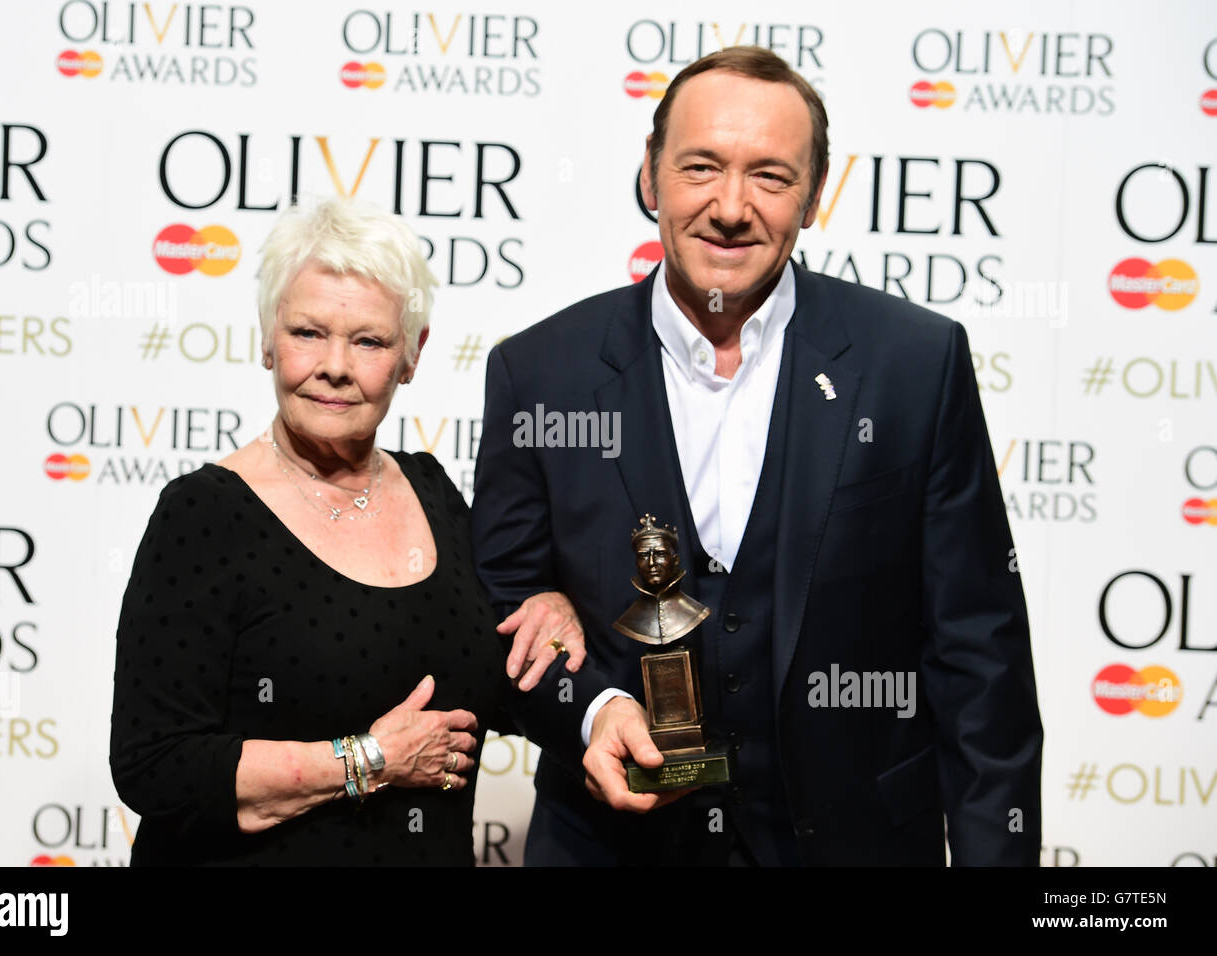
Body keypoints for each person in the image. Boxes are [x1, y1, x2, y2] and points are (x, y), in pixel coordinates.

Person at [472, 46, 1043, 866]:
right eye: (701, 166)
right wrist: (589, 710)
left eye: (771, 177)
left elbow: (979, 652)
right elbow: (502, 602)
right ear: (650, 176)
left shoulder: (915, 365)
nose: (731, 207)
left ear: (813, 197)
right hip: (613, 846)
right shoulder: (539, 371)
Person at [109, 196, 581, 866]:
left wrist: (551, 603)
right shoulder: (204, 515)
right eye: (308, 333)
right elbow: (153, 764)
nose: (335, 365)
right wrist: (372, 761)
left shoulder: (433, 492)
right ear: (267, 340)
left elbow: (501, 676)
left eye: (368, 341)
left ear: (411, 356)